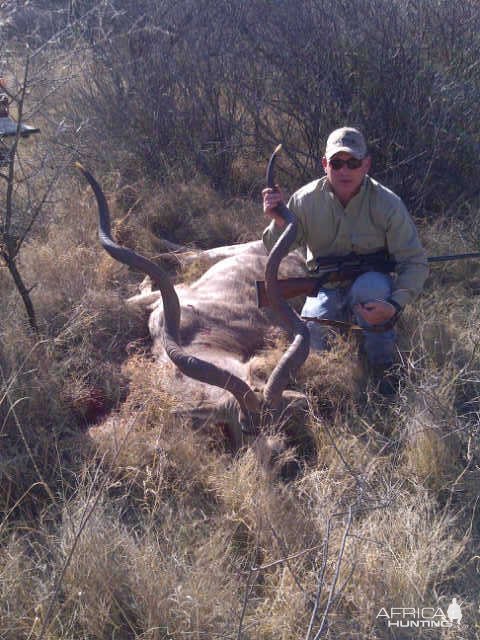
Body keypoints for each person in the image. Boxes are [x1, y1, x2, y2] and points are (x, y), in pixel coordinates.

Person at [262, 126, 429, 394]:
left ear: (366, 165)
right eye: (337, 163)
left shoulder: (387, 203)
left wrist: (395, 305)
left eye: (353, 163)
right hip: (324, 286)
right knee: (312, 332)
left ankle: (383, 375)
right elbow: (273, 247)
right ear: (325, 164)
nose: (345, 170)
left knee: (372, 289)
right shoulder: (304, 200)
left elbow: (415, 261)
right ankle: (324, 393)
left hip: (370, 285)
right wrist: (279, 221)